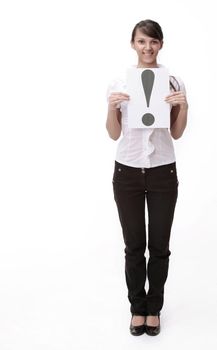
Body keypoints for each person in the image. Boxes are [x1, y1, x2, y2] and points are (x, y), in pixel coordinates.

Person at [106, 19, 188, 336]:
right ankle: (136, 308)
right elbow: (114, 134)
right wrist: (111, 109)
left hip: (163, 171)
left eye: (153, 42)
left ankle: (154, 309)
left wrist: (184, 107)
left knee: (160, 246)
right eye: (142, 41)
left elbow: (177, 134)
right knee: (134, 247)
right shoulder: (118, 83)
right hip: (126, 170)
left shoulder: (173, 82)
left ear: (161, 44)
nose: (147, 47)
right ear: (133, 44)